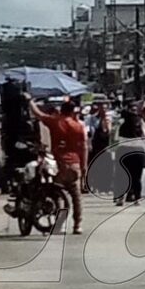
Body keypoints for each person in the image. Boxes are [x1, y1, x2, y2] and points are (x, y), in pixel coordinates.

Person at [29, 99, 87, 234]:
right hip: (74, 164)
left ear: (61, 110)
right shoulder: (78, 126)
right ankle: (77, 225)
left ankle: (59, 224)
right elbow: (84, 147)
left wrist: (30, 101)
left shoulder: (55, 121)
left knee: (57, 195)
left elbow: (38, 114)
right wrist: (84, 166)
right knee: (76, 197)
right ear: (73, 112)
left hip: (58, 163)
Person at [115, 104, 145, 205]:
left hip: (124, 150)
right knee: (137, 176)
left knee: (122, 175)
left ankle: (121, 198)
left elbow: (116, 137)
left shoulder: (121, 122)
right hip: (138, 151)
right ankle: (137, 198)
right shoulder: (140, 122)